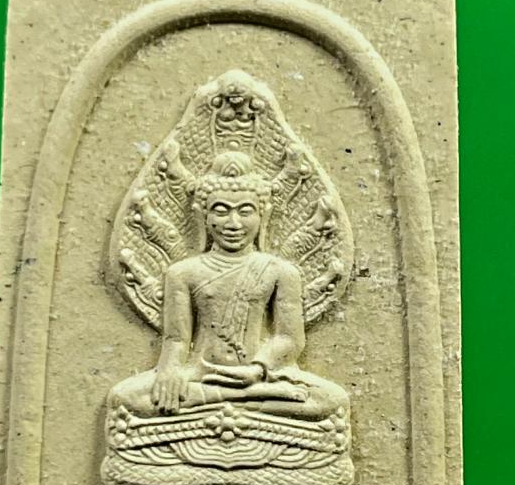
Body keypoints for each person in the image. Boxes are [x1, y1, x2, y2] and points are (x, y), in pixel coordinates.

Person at [108, 152, 348, 422]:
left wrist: (257, 369)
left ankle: (219, 402)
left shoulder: (281, 272)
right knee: (124, 398)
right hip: (201, 374)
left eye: (245, 212)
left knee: (332, 399)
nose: (233, 224)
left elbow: (290, 339)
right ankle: (246, 403)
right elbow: (177, 340)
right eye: (221, 211)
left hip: (260, 377)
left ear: (263, 215)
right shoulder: (183, 273)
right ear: (203, 215)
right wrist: (169, 372)